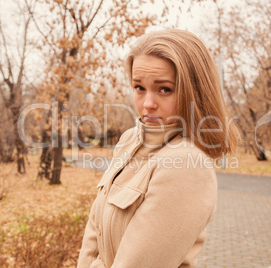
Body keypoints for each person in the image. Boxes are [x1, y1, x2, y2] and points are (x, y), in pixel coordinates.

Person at [77, 29, 239, 268]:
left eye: (164, 89)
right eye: (139, 88)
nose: (148, 104)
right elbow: (95, 231)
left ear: (192, 92)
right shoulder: (129, 141)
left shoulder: (186, 164)